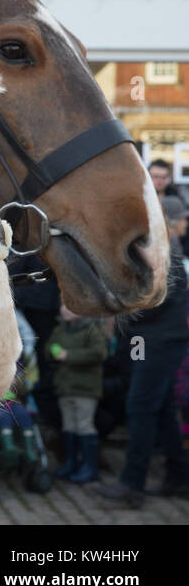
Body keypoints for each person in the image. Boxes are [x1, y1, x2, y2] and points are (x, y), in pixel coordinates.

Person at [95, 196, 189, 506]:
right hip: (154, 340)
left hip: (160, 341)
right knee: (159, 408)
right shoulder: (156, 246)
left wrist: (117, 307)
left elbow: (154, 299)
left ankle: (133, 486)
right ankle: (178, 477)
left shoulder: (164, 249)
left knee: (141, 407)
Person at [48, 303, 107, 483]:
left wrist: (69, 355)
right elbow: (49, 347)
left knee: (84, 425)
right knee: (69, 426)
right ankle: (71, 462)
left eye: (71, 307)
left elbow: (99, 353)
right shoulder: (60, 329)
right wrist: (53, 352)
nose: (65, 310)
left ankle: (90, 467)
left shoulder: (92, 329)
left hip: (85, 388)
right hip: (65, 387)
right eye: (63, 306)